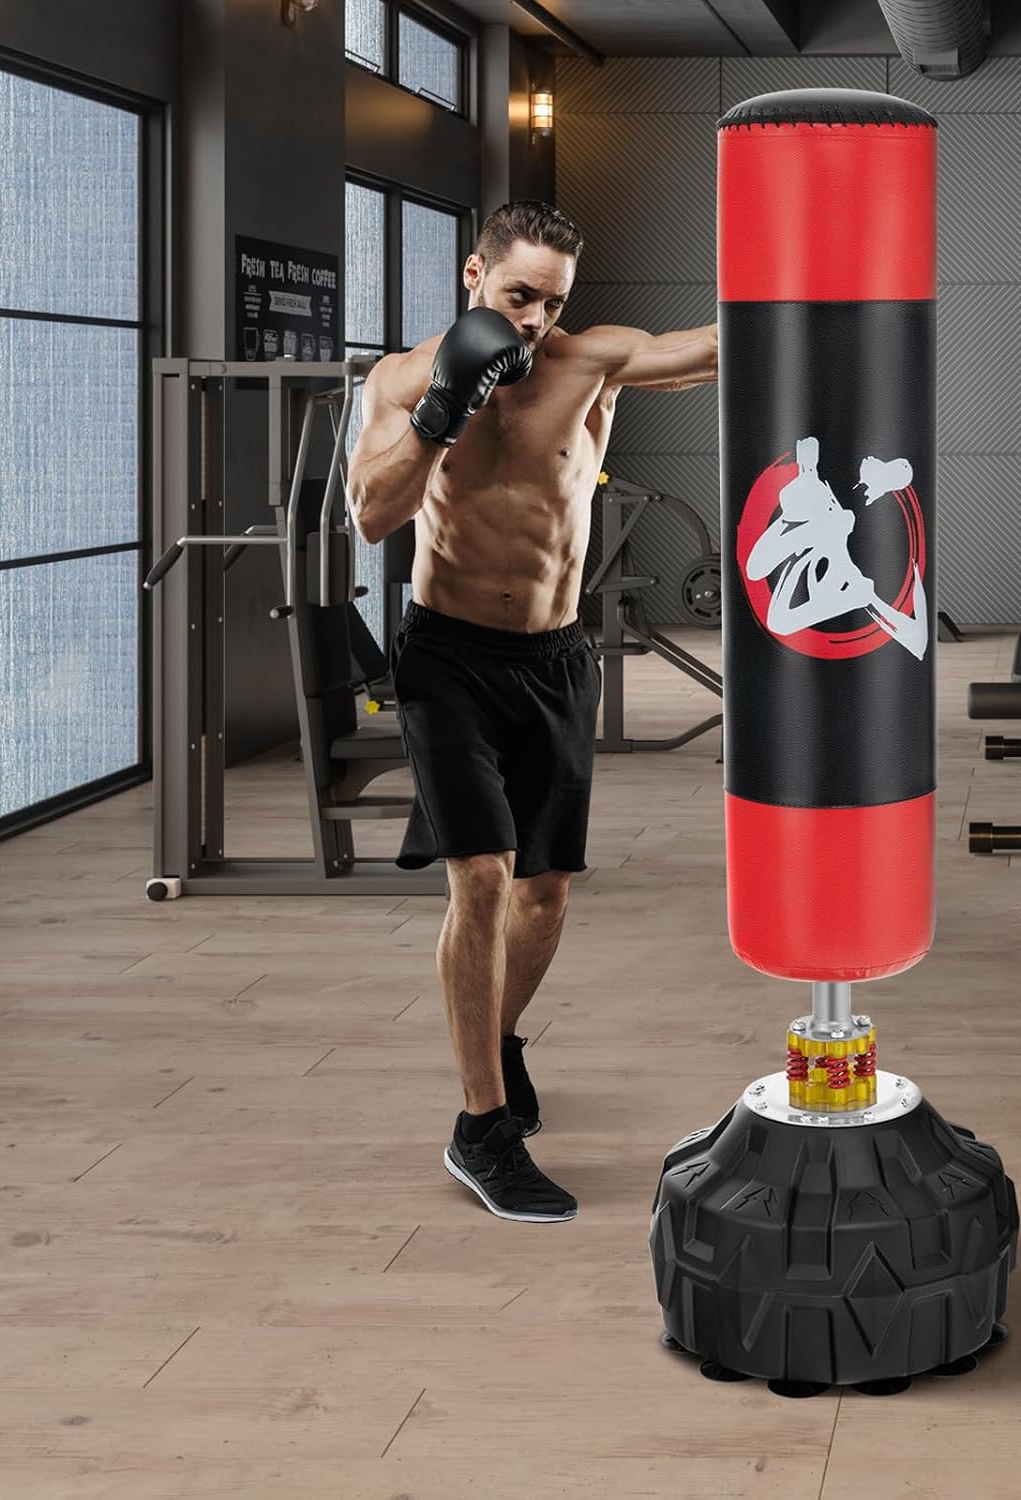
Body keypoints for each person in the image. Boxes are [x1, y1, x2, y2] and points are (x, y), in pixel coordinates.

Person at [346, 201, 717, 1224]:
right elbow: (371, 512)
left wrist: (824, 273)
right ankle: (481, 1128)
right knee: (481, 876)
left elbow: (714, 347)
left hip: (554, 658)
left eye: (553, 301)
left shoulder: (587, 363)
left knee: (544, 900)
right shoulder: (400, 379)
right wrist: (439, 415)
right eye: (517, 297)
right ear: (473, 276)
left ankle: (495, 1043)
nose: (535, 323)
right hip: (446, 655)